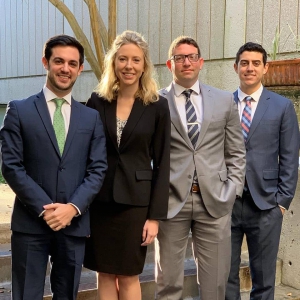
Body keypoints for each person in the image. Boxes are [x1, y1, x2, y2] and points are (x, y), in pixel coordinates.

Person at [0, 35, 107, 300]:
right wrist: (45, 210)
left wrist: (72, 208)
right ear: (45, 62)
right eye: (59, 61)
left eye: (72, 63)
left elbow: (98, 169)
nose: (65, 68)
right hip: (30, 223)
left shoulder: (90, 117)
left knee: (66, 295)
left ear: (80, 69)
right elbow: (12, 166)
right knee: (26, 295)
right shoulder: (19, 110)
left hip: (74, 223)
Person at [154, 36, 246, 300]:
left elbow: (237, 151)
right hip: (171, 202)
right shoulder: (154, 102)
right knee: (168, 282)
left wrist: (233, 190)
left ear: (201, 62)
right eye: (180, 57)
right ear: (169, 63)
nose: (186, 62)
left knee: (215, 284)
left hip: (215, 201)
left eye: (192, 56)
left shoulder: (224, 100)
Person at [83, 30, 171, 300]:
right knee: (105, 272)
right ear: (114, 63)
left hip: (136, 205)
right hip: (100, 202)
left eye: (135, 60)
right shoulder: (97, 102)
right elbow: (85, 152)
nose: (128, 66)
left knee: (129, 273)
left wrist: (154, 217)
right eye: (122, 59)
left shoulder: (158, 106)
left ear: (144, 65)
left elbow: (163, 162)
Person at [225, 42, 299, 300]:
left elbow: (290, 156)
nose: (250, 68)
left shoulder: (281, 107)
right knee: (225, 277)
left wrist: (282, 202)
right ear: (236, 67)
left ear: (265, 68)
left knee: (265, 279)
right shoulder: (222, 104)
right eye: (244, 63)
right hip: (227, 203)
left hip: (266, 204)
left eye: (256, 63)